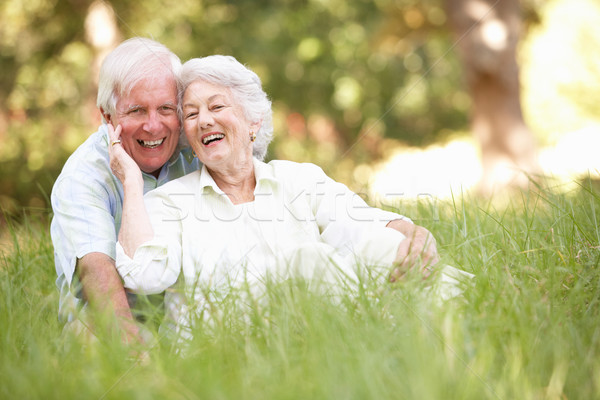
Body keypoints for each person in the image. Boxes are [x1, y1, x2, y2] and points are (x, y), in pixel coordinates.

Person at [111, 55, 444, 338]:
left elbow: (361, 222)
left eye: (217, 106)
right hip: (225, 348)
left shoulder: (299, 179)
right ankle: (374, 333)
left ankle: (461, 327)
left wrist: (411, 233)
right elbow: (144, 275)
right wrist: (130, 181)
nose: (205, 120)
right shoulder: (169, 202)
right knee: (308, 260)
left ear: (253, 121)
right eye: (192, 114)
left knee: (385, 246)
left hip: (315, 332)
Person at [50, 37, 200, 343]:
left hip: (185, 312)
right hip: (109, 314)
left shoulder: (196, 153)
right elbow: (95, 270)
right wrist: (134, 348)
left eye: (166, 108)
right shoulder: (84, 176)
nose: (154, 126)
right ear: (107, 116)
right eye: (137, 111)